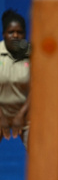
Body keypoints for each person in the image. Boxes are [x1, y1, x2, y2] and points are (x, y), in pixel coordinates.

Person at [0, 9, 30, 148]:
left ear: (25, 34)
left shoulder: (34, 54)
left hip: (27, 113)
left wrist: (21, 115)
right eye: (11, 32)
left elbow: (38, 89)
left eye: (20, 32)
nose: (15, 35)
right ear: (4, 34)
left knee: (41, 153)